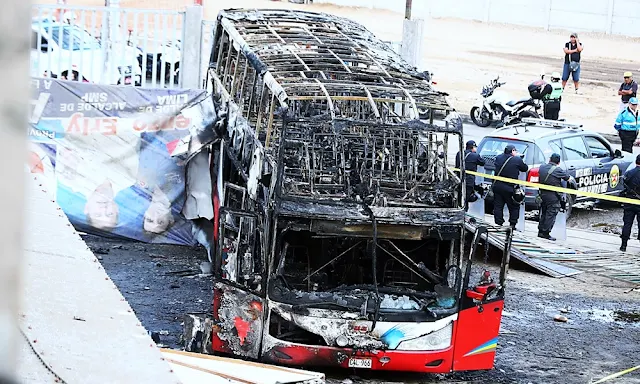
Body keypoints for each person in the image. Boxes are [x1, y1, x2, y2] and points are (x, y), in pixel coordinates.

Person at [537, 153, 574, 241]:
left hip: (542, 194)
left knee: (544, 213)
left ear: (550, 159)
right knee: (551, 214)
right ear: (558, 162)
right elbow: (568, 179)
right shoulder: (558, 170)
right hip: (553, 196)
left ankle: (540, 231)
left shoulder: (542, 167)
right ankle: (545, 233)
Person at [492, 145, 528, 228]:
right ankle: (512, 224)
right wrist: (519, 159)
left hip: (498, 186)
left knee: (498, 205)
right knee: (514, 206)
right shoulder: (517, 159)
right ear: (512, 151)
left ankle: (498, 222)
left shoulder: (498, 157)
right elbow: (524, 168)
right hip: (510, 188)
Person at [455, 140, 486, 211]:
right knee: (466, 198)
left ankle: (458, 208)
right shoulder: (475, 156)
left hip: (458, 178)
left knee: (459, 196)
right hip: (469, 180)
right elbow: (482, 162)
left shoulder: (459, 153)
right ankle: (464, 212)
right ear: (473, 147)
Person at [620, 154, 640, 252]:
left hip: (629, 201)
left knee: (627, 224)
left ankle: (623, 246)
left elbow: (623, 186)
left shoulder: (629, 173)